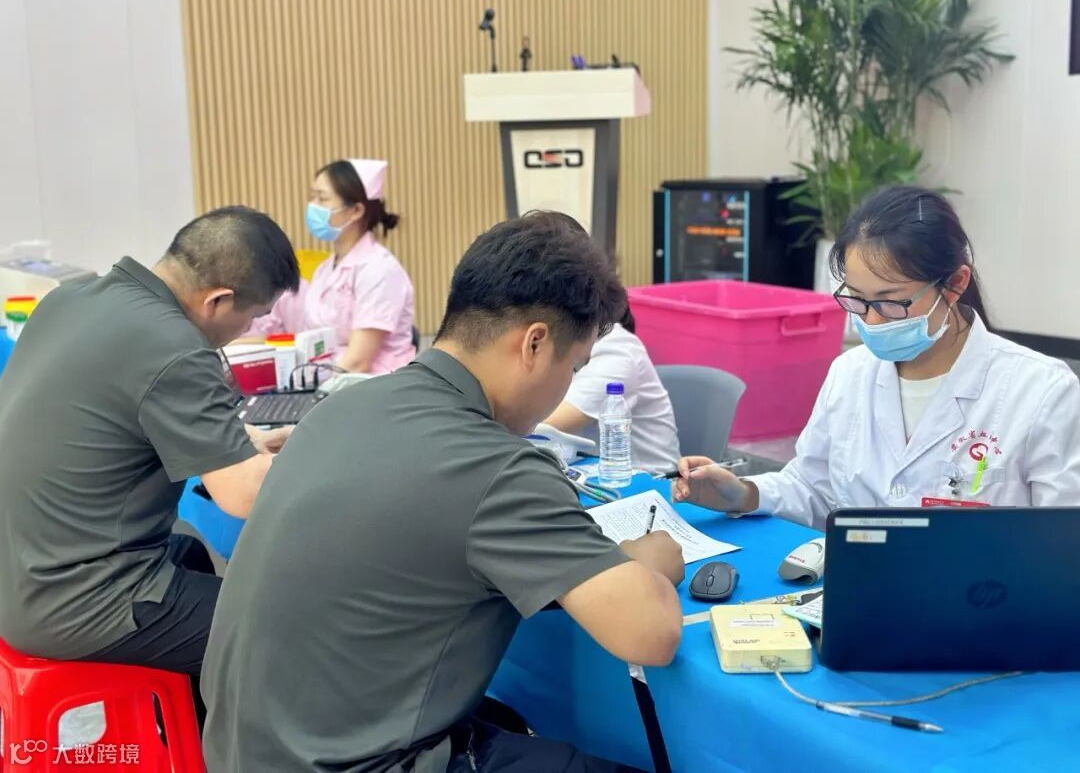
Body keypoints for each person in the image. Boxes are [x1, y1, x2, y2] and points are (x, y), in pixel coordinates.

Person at [201, 211, 685, 772]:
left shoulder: (342, 407)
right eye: (573, 368)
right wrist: (649, 562)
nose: (565, 388)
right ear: (534, 344)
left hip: (240, 748)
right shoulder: (497, 466)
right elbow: (650, 635)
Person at [0, 206, 300, 683]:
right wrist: (320, 447)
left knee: (192, 554)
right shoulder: (175, 347)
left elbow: (115, 417)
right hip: (80, 601)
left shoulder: (71, 298)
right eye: (253, 318)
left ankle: (193, 723)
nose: (247, 331)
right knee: (296, 627)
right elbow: (242, 496)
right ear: (218, 300)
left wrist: (246, 440)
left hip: (22, 578)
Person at [673, 186, 1080, 530]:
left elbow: (1062, 544)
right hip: (859, 585)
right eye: (857, 300)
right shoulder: (849, 373)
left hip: (980, 596)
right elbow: (812, 487)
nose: (871, 321)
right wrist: (744, 493)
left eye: (890, 302)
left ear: (955, 283)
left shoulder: (1041, 392)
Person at [249, 158, 416, 374]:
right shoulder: (325, 269)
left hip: (373, 384)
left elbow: (358, 363)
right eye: (312, 197)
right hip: (331, 378)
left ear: (356, 211)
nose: (313, 206)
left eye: (322, 199)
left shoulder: (379, 270)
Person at [545, 304, 680, 474]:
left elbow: (547, 426)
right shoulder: (558, 341)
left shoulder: (617, 349)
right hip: (584, 471)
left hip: (644, 478)